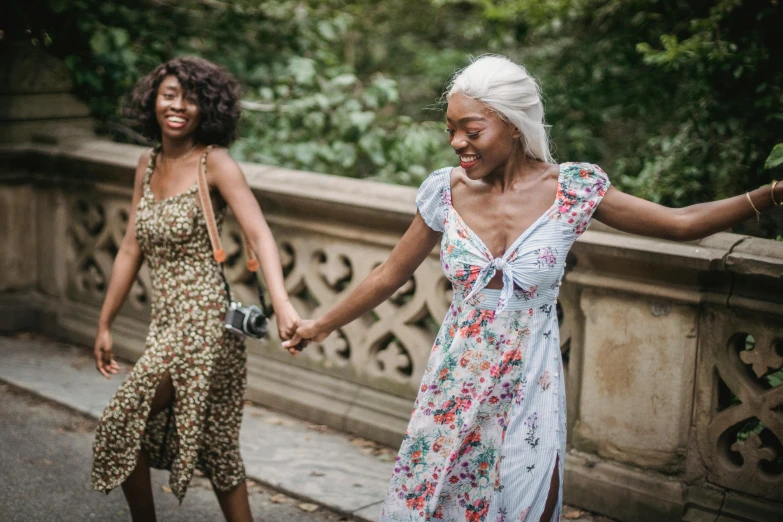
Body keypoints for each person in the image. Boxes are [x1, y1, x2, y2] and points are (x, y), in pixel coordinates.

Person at [283, 54, 783, 522]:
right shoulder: (445, 190)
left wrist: (771, 193)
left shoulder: (573, 189)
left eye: (471, 129)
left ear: (514, 124)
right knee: (431, 499)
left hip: (530, 380)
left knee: (528, 500)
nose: (457, 142)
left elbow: (680, 224)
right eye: (451, 129)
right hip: (455, 379)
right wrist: (320, 326)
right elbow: (387, 274)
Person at [90, 56, 300, 522]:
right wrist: (104, 322)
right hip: (165, 324)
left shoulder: (215, 163)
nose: (178, 106)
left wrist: (281, 303)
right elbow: (129, 248)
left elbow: (261, 234)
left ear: (208, 108)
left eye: (190, 98)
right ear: (154, 101)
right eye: (169, 95)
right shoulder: (146, 164)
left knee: (123, 420)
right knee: (220, 449)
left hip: (205, 322)